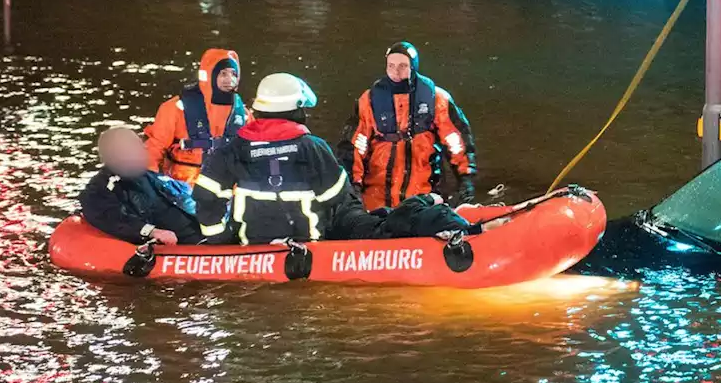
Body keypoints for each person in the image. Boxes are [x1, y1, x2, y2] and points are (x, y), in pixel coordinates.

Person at [193, 73, 475, 245]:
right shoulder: (311, 147)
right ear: (297, 109)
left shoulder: (231, 150)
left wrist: (220, 240)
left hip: (250, 244)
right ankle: (430, 208)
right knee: (380, 222)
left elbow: (205, 198)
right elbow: (339, 199)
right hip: (314, 242)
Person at [338, 42, 478, 211]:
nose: (396, 72)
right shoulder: (368, 101)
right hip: (376, 197)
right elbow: (354, 147)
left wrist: (465, 178)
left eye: (402, 66)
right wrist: (354, 186)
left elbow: (455, 140)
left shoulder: (436, 99)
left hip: (424, 194)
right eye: (391, 66)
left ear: (413, 67)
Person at [79, 126, 204, 245]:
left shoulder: (152, 177)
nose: (143, 148)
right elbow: (110, 218)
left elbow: (187, 197)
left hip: (203, 235)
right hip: (181, 243)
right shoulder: (101, 189)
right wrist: (150, 231)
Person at [144, 48, 249, 188]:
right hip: (181, 189)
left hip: (226, 189)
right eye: (223, 74)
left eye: (234, 74)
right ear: (209, 75)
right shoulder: (176, 108)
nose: (229, 80)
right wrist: (148, 184)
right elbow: (154, 148)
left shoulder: (244, 115)